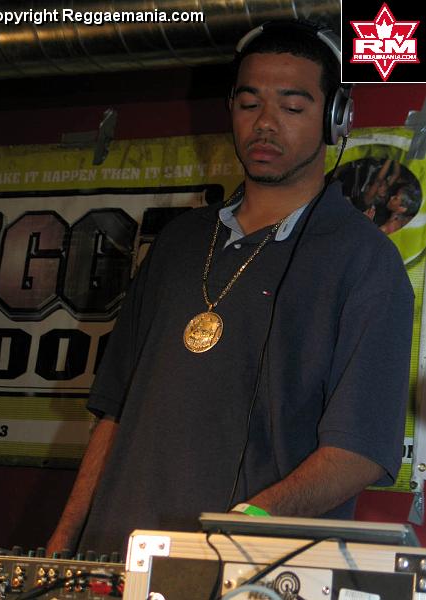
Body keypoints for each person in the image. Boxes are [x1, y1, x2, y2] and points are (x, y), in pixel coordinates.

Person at [47, 20, 414, 558]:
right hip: (119, 557)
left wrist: (245, 525)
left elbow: (359, 450)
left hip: (251, 568)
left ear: (337, 119)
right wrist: (62, 544)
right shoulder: (178, 243)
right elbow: (113, 413)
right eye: (249, 104)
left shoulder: (365, 262)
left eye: (292, 107)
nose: (265, 123)